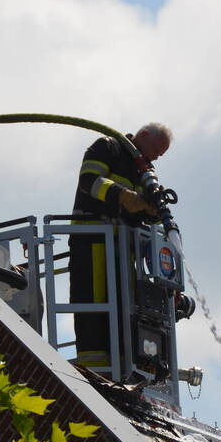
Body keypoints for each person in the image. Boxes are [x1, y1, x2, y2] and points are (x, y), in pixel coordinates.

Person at [69, 123, 173, 368]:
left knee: (123, 308)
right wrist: (123, 196)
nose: (156, 157)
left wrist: (152, 210)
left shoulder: (144, 170)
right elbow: (89, 181)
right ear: (143, 135)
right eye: (155, 150)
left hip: (123, 248)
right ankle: (94, 370)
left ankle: (124, 367)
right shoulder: (108, 147)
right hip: (91, 240)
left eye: (160, 155)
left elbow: (143, 214)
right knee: (92, 304)